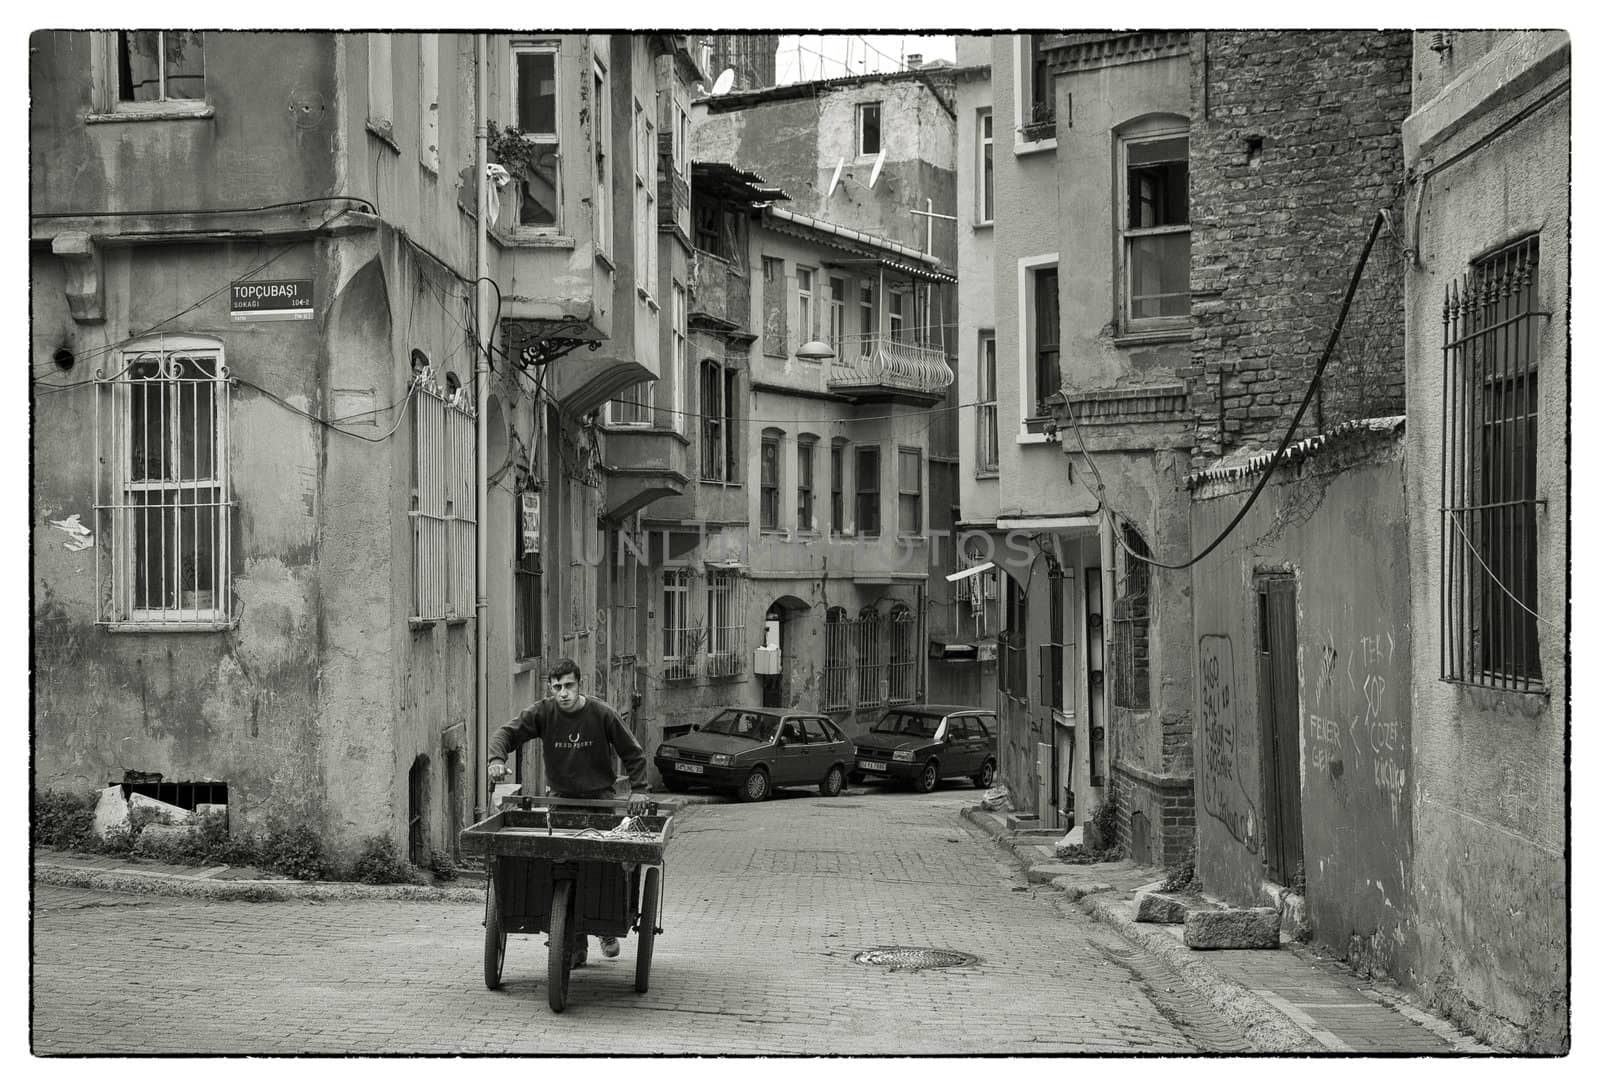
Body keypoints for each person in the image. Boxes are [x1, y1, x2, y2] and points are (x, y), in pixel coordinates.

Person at [487, 657, 650, 965]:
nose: (563, 693)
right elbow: (505, 734)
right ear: (551, 688)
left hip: (600, 800)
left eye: (569, 686)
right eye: (557, 687)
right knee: (558, 866)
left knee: (604, 866)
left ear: (580, 684)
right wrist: (496, 759)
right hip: (560, 801)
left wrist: (639, 790)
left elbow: (633, 753)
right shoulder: (543, 713)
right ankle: (571, 941)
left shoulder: (602, 714)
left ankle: (604, 926)